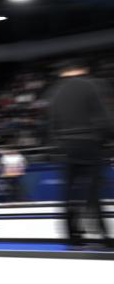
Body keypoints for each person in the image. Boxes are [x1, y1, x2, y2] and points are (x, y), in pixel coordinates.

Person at [46, 59, 114, 248]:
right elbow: (103, 118)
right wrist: (108, 138)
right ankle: (103, 234)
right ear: (82, 69)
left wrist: (58, 145)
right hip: (89, 143)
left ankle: (72, 235)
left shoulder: (54, 91)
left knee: (68, 192)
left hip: (66, 146)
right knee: (92, 191)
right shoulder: (90, 85)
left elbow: (50, 124)